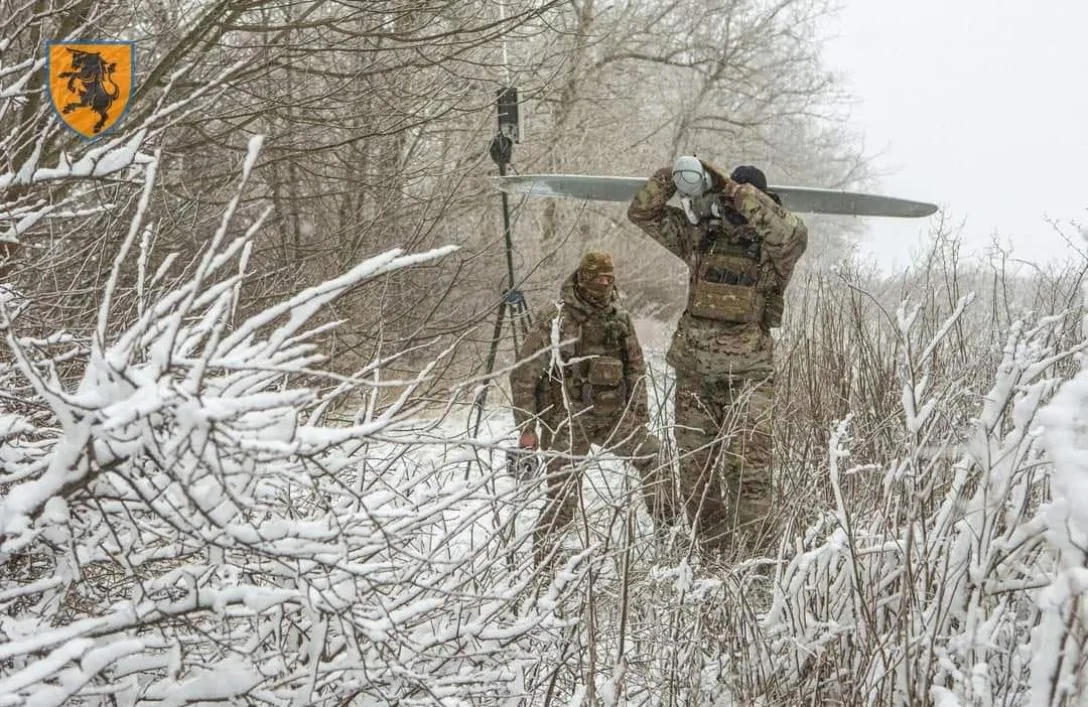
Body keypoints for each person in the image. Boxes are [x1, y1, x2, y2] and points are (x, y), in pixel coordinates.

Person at [626, 158, 808, 562]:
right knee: (696, 476)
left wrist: (731, 188)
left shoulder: (777, 248)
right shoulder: (700, 237)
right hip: (695, 377)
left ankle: (757, 565)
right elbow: (642, 211)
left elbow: (789, 231)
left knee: (750, 476)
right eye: (730, 199)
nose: (735, 208)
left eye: (745, 200)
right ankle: (713, 562)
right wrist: (671, 175)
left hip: (749, 379)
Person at [509, 250, 674, 568]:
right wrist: (527, 429)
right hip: (567, 421)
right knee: (562, 499)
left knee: (657, 458)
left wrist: (638, 414)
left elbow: (635, 370)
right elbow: (524, 373)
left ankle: (669, 545)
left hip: (612, 418)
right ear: (583, 278)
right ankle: (545, 567)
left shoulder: (619, 318)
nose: (604, 284)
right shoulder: (555, 319)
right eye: (598, 278)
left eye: (609, 278)